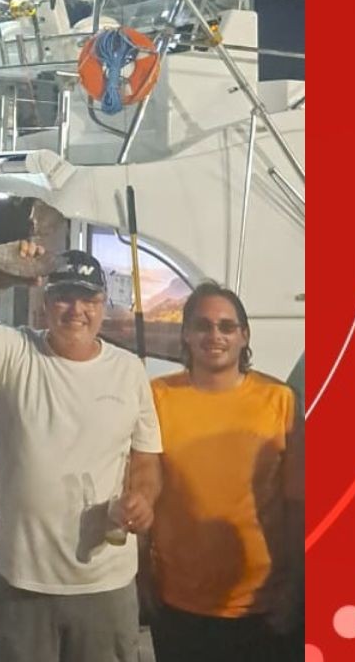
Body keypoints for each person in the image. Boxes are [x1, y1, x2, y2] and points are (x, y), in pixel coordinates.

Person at [0, 249, 163, 662]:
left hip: (105, 583)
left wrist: (144, 499)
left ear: (102, 306)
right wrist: (4, 275)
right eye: (64, 297)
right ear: (45, 303)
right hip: (22, 580)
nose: (76, 310)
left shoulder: (129, 371)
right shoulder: (15, 350)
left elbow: (146, 457)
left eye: (88, 299)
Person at [146, 282, 302, 661]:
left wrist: (297, 588)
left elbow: (297, 502)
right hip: (179, 604)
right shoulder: (155, 398)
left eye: (226, 326)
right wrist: (141, 580)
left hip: (262, 604)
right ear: (185, 334)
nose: (214, 335)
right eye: (202, 325)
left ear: (244, 335)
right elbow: (144, 489)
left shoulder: (279, 400)